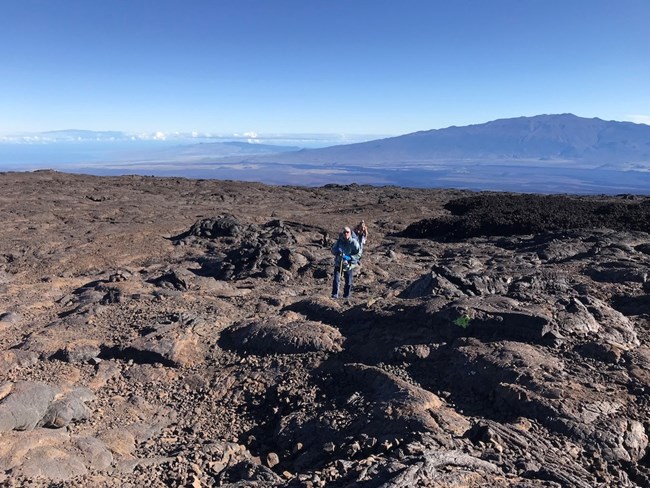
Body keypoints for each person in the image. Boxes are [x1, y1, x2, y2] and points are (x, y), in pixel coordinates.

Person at [331, 226, 361, 299]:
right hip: (339, 263)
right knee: (336, 279)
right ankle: (335, 295)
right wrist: (338, 252)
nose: (346, 234)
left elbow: (359, 254)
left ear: (350, 233)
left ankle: (346, 295)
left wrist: (350, 258)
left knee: (348, 282)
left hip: (349, 265)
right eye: (344, 232)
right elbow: (333, 250)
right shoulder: (339, 241)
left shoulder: (354, 242)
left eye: (347, 232)